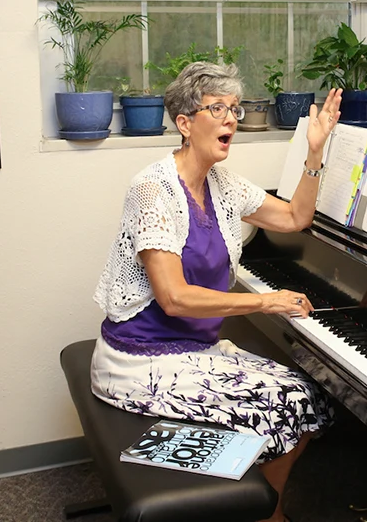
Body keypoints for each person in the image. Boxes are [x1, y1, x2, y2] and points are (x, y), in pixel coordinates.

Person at [91, 61, 342, 522]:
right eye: (218, 108)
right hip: (140, 358)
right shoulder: (152, 189)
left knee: (314, 397)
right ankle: (264, 512)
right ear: (184, 124)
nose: (232, 118)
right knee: (287, 403)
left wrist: (314, 151)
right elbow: (174, 298)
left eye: (236, 109)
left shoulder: (223, 184)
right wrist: (266, 301)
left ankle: (263, 506)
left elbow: (294, 219)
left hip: (194, 347)